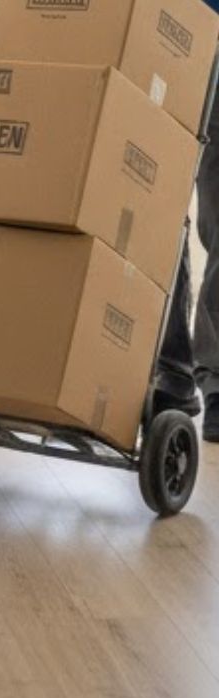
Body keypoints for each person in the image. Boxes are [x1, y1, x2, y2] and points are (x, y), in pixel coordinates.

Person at [154, 0, 219, 442]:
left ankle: (215, 379)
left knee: (216, 215)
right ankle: (172, 370)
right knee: (151, 208)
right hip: (159, 30)